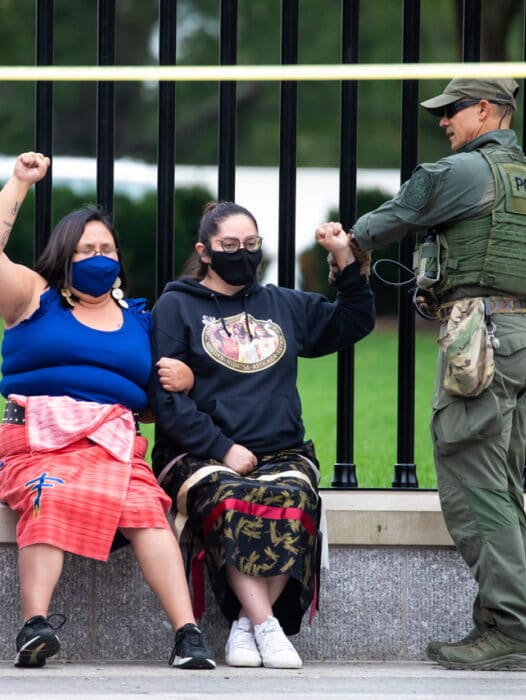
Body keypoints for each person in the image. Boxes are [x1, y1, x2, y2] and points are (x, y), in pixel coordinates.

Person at [350, 77, 526, 670]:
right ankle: (495, 625)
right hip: (517, 335)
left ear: (486, 110)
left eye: (452, 111)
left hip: (482, 341)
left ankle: (514, 632)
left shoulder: (467, 172)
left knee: (471, 483)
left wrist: (353, 244)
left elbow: (396, 214)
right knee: (502, 486)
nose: (444, 122)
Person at [0, 152, 215, 670]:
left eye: (106, 247)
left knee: (148, 512)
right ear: (65, 255)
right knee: (48, 497)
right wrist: (19, 182)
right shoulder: (33, 299)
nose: (99, 256)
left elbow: (153, 401)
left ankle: (188, 635)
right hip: (37, 441)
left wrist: (187, 378)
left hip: (113, 444)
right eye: (86, 249)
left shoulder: (138, 318)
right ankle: (33, 626)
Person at [148, 203, 375, 669]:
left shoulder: (283, 304)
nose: (242, 254)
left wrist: (343, 257)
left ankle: (247, 626)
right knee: (232, 498)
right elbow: (166, 398)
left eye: (251, 245)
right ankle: (269, 629)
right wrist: (222, 448)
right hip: (200, 452)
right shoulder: (177, 306)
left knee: (294, 496)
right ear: (204, 252)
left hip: (281, 450)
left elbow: (354, 321)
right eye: (229, 246)